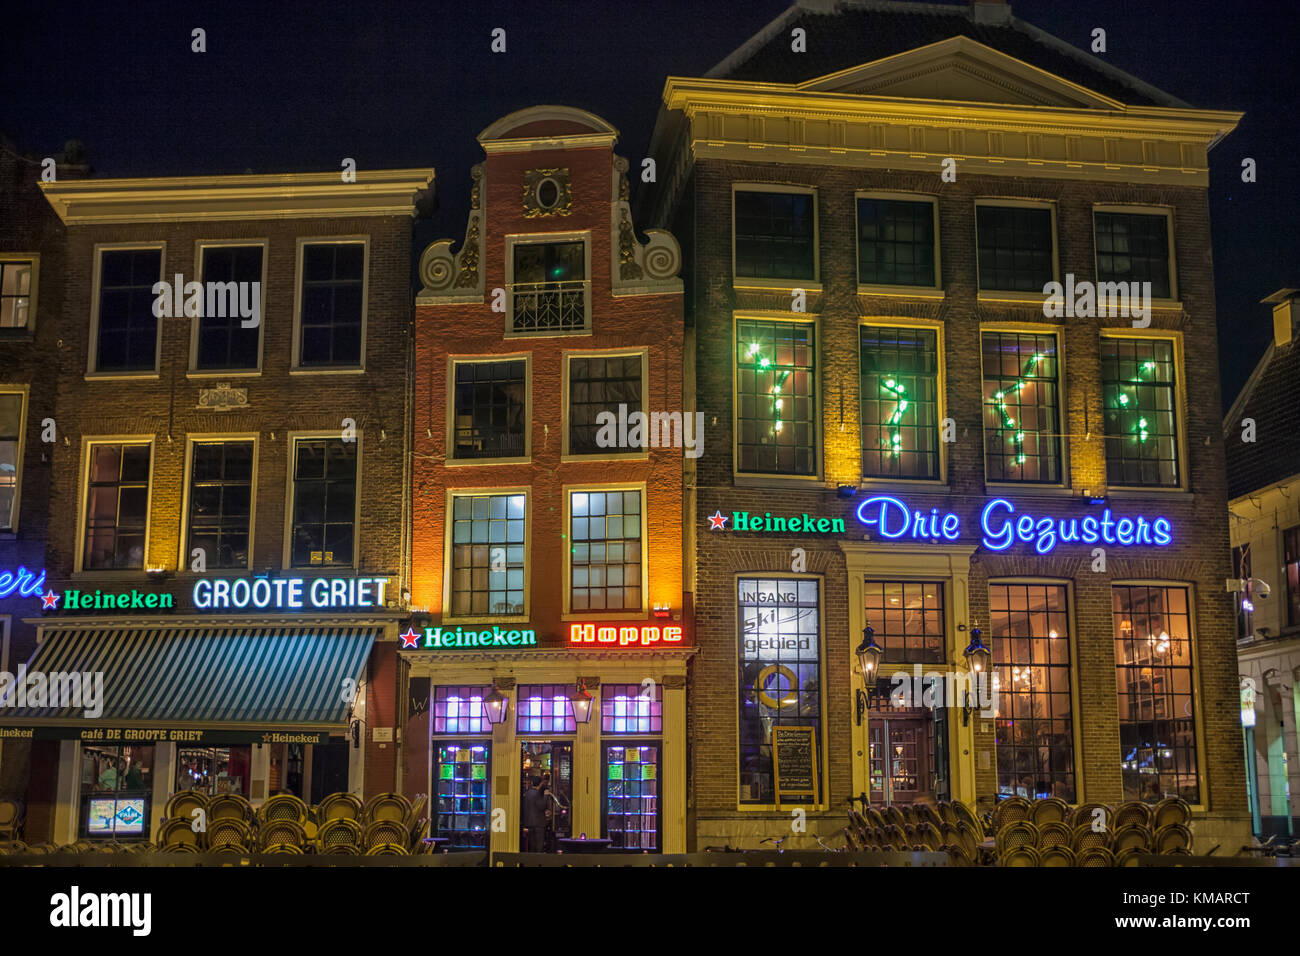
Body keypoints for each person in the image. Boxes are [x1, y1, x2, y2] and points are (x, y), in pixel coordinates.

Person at [521, 775, 550, 852]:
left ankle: (532, 862)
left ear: (532, 783)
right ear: (540, 784)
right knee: (539, 846)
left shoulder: (527, 793)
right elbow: (542, 806)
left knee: (532, 846)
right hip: (538, 824)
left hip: (529, 823)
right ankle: (538, 862)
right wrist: (546, 796)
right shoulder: (537, 794)